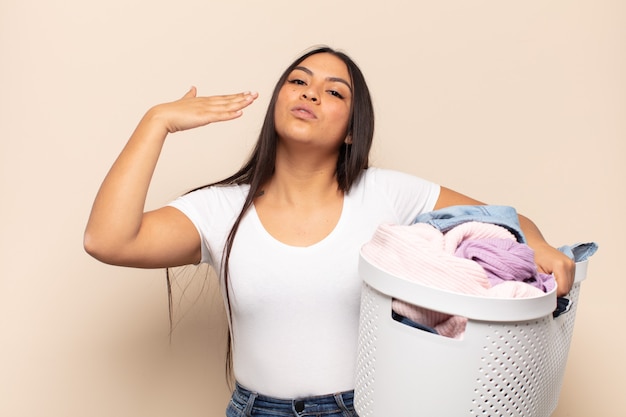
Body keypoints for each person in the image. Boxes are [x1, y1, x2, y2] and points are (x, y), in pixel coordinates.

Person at [84, 46, 575, 417]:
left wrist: (539, 245)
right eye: (298, 81)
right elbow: (108, 240)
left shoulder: (386, 194)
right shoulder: (219, 209)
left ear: (351, 132)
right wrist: (157, 122)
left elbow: (501, 217)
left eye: (334, 91)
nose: (310, 92)